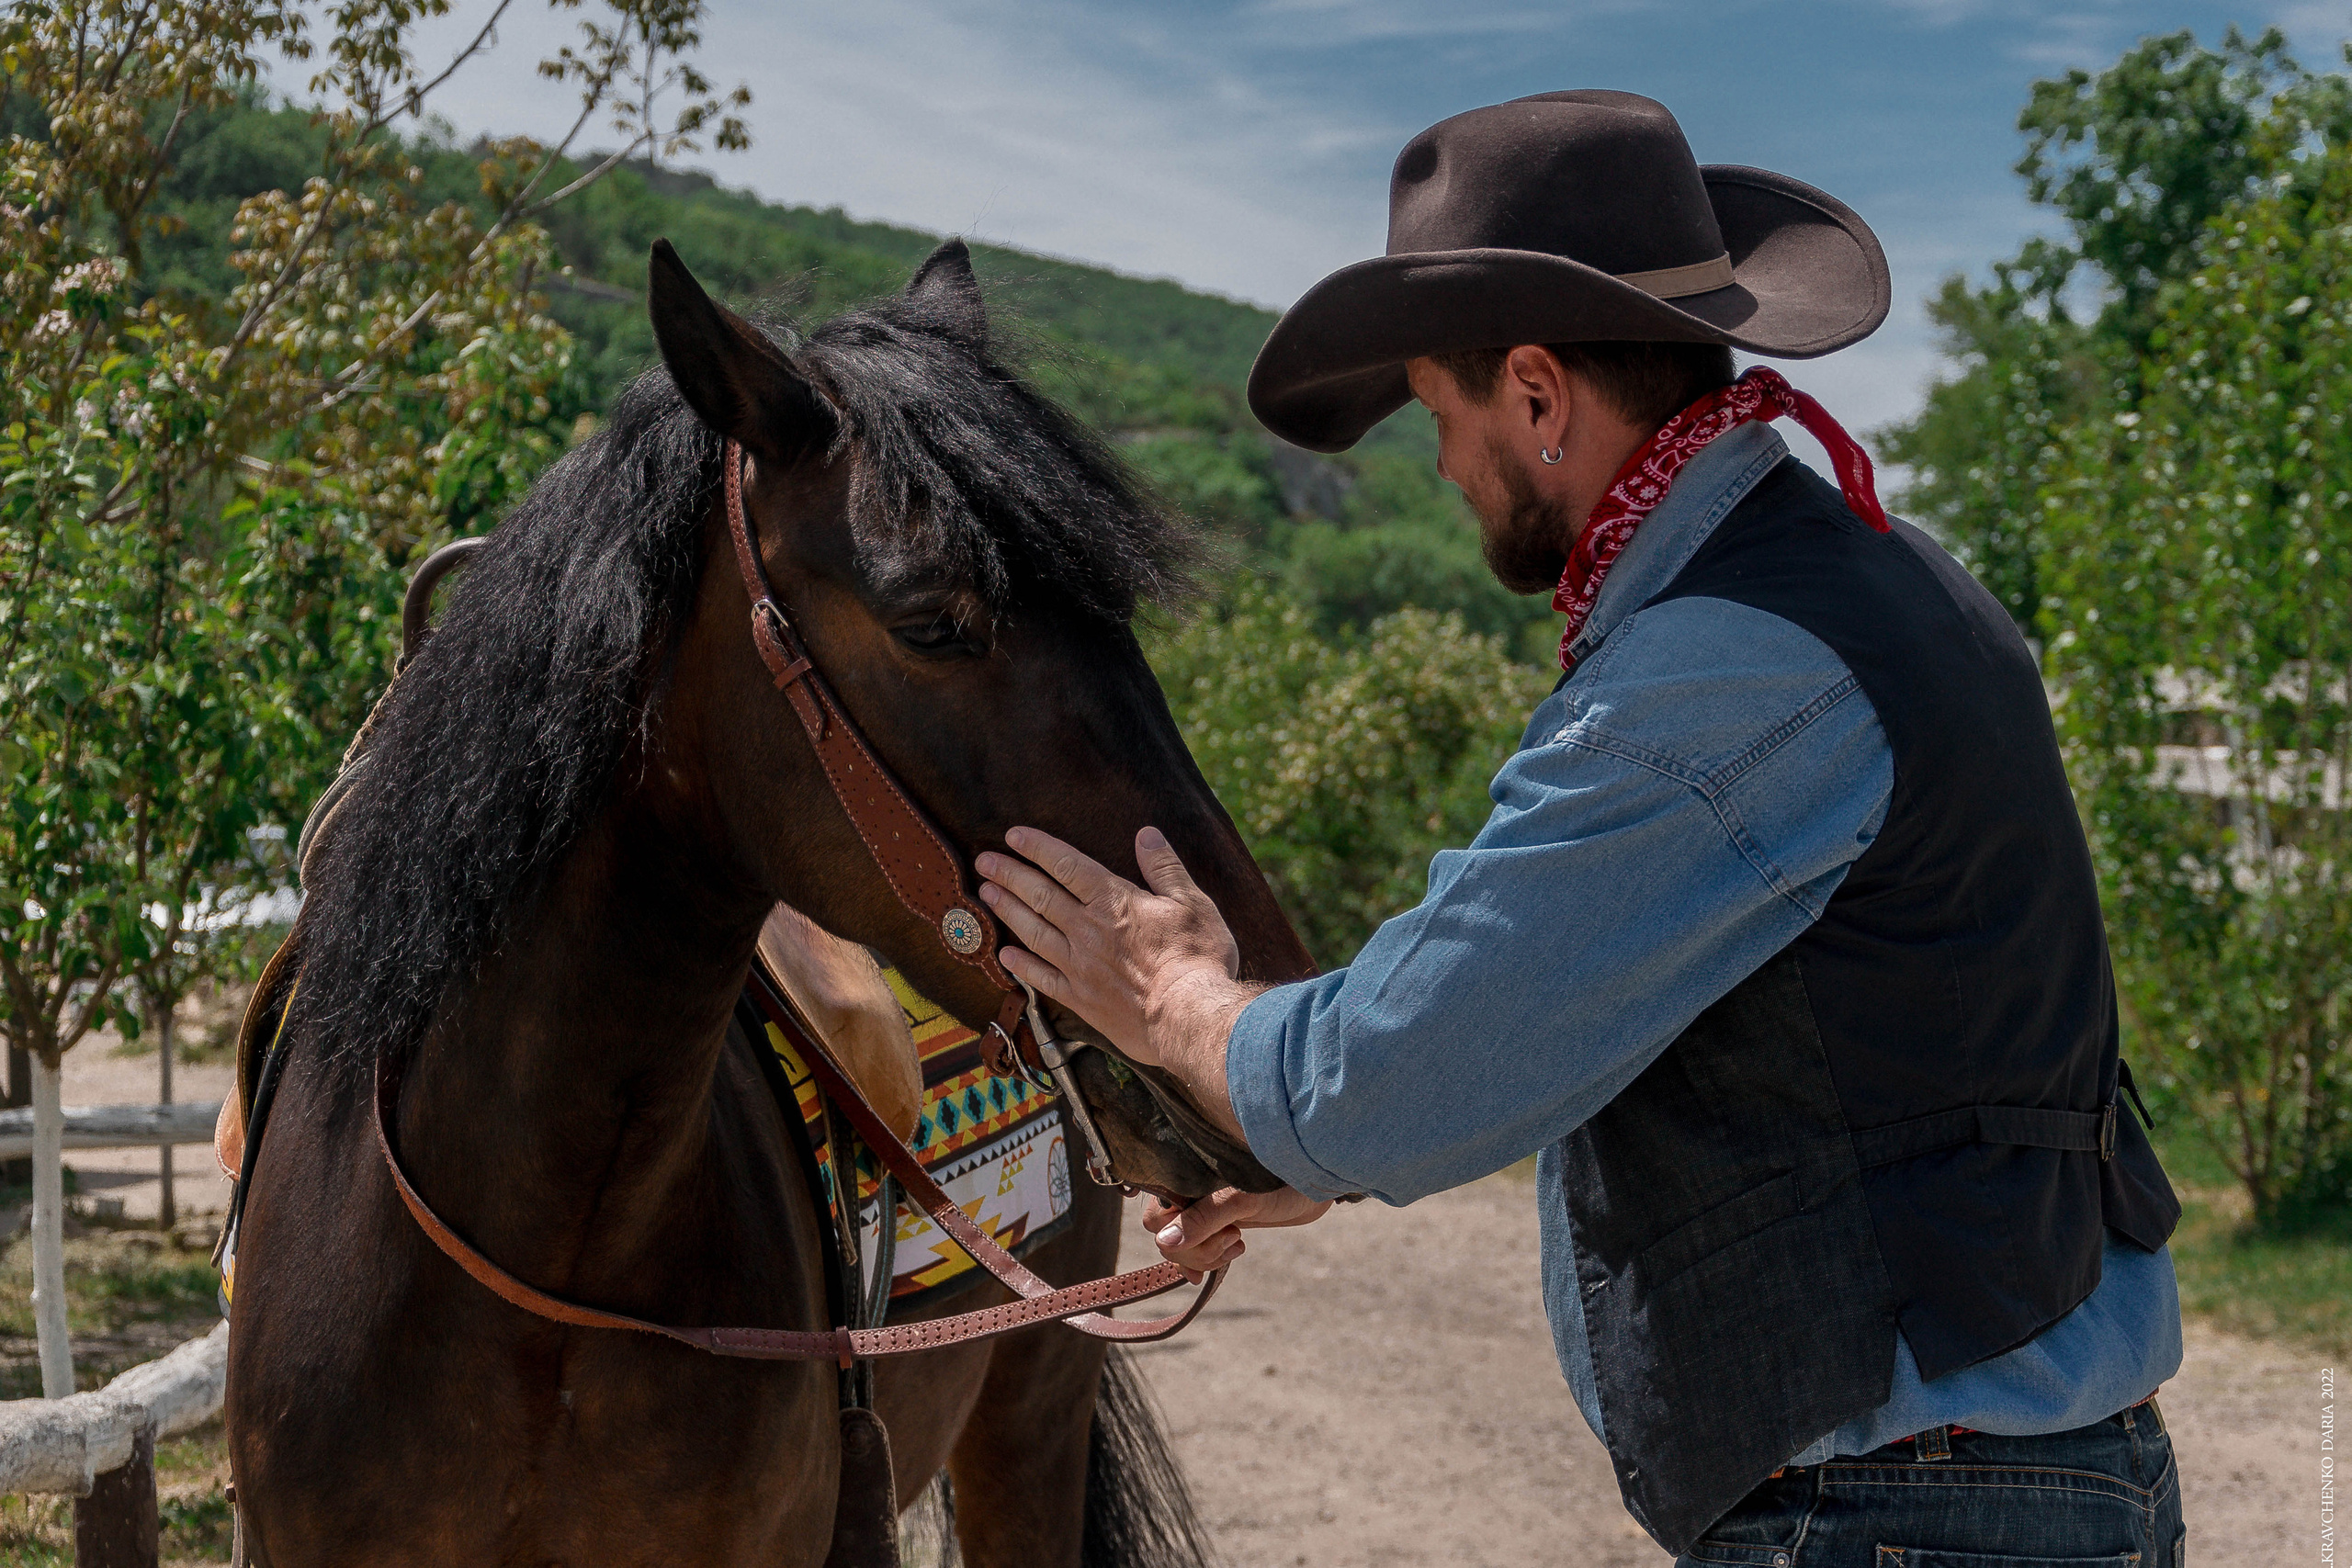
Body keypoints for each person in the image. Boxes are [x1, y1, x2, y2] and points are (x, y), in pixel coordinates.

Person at [975, 90, 2187, 1565]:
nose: (1439, 465)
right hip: (2003, 1493)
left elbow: (1397, 1075)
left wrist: (1174, 998)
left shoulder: (1722, 671)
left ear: (1539, 397)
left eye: (1444, 412)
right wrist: (1316, 1150)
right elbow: (1615, 1023)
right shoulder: (1873, 583)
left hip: (1904, 1513)